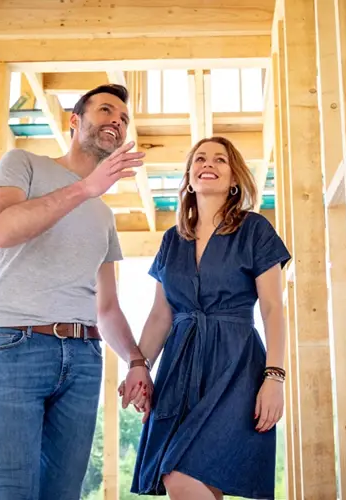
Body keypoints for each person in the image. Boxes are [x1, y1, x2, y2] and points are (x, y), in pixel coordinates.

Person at [0, 83, 155, 500]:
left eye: (124, 119)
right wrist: (85, 188)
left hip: (84, 359)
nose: (117, 121)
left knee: (63, 494)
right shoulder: (24, 164)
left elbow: (106, 308)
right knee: (9, 492)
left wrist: (136, 361)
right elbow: (2, 231)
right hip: (12, 346)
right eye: (106, 111)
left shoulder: (104, 213)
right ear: (75, 121)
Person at [120, 137, 290, 499]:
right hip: (178, 369)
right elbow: (159, 315)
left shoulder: (255, 229)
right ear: (189, 176)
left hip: (236, 368)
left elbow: (273, 307)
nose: (207, 163)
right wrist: (139, 365)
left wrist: (274, 377)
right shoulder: (171, 240)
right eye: (199, 158)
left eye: (219, 159)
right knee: (185, 476)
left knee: (185, 475)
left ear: (234, 179)